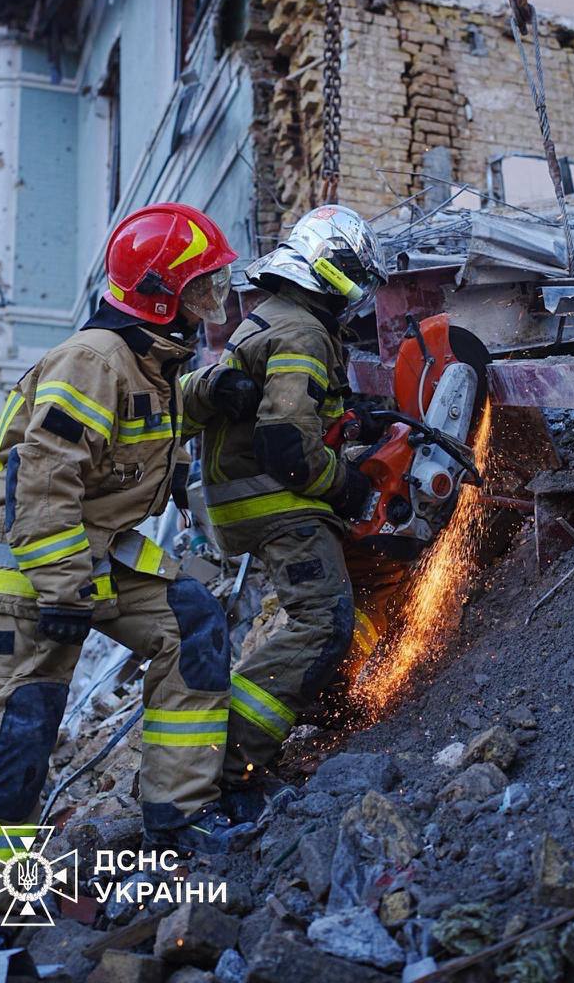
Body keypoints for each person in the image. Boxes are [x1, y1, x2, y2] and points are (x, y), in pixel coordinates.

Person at [0, 203, 259, 958]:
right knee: (17, 735)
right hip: (29, 567)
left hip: (88, 551)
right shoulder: (93, 358)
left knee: (190, 624)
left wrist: (209, 395)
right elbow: (42, 477)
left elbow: (152, 407)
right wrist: (60, 593)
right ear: (158, 294)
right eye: (201, 290)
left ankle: (175, 814)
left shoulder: (147, 359)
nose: (213, 305)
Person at [182, 204, 388, 821]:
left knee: (336, 609)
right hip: (277, 501)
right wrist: (346, 485)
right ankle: (230, 771)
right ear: (331, 270)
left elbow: (286, 418)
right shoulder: (302, 331)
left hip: (246, 498)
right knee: (322, 621)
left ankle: (315, 703)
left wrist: (352, 426)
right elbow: (285, 446)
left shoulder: (268, 316)